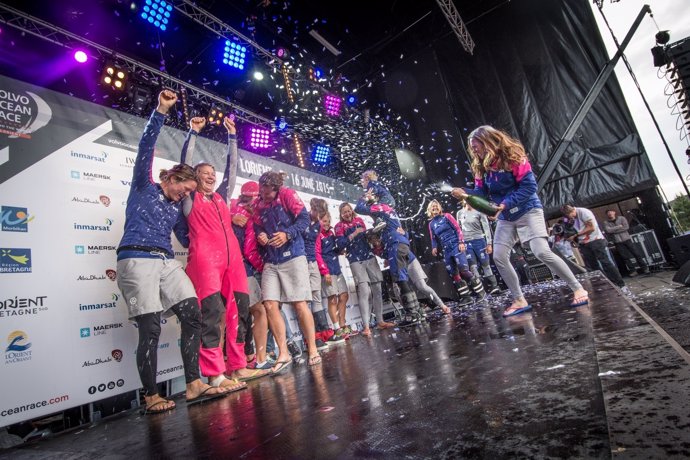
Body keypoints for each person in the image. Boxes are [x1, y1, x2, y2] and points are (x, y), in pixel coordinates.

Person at [116, 90, 230, 415]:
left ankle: (194, 384)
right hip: (136, 258)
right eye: (185, 187)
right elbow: (145, 148)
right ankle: (151, 396)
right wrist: (162, 111)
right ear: (171, 177)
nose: (186, 194)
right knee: (150, 327)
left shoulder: (177, 206)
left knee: (192, 312)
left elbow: (188, 230)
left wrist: (193, 133)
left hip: (165, 260)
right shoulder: (144, 186)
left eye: (192, 191)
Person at [451, 125, 589, 317]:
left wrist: (505, 204)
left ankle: (578, 289)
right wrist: (465, 194)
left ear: (489, 142)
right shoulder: (481, 166)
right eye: (472, 147)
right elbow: (481, 193)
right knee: (499, 256)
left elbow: (529, 187)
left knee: (541, 251)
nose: (474, 150)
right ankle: (519, 300)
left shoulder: (513, 156)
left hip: (528, 210)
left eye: (477, 146)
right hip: (506, 217)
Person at [177, 116, 268, 386]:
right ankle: (215, 374)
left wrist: (232, 138)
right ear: (194, 178)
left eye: (212, 174)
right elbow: (184, 164)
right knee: (213, 314)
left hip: (233, 262)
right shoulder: (190, 198)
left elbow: (231, 169)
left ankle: (238, 366)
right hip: (206, 262)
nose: (211, 177)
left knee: (240, 311)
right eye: (204, 174)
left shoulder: (221, 197)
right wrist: (192, 133)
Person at [252, 171, 321, 368]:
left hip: (293, 255)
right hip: (271, 260)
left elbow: (304, 220)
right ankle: (284, 353)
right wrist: (261, 235)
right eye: (261, 192)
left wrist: (287, 234)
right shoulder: (258, 203)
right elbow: (257, 226)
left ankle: (313, 349)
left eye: (266, 193)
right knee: (270, 305)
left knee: (300, 304)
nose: (262, 196)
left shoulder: (288, 195)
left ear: (276, 188)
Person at [356, 186, 424, 327]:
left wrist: (364, 197)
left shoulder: (379, 207)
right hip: (401, 243)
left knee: (400, 279)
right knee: (403, 278)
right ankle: (417, 312)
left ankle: (412, 315)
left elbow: (359, 208)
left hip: (395, 245)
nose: (372, 216)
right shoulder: (389, 209)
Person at [230, 181, 275, 370]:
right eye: (256, 197)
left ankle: (249, 357)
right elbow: (249, 249)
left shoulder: (232, 209)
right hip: (243, 268)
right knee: (257, 312)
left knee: (244, 315)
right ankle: (258, 358)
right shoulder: (244, 213)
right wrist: (261, 266)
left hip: (234, 267)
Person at [335, 202, 395, 335]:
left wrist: (372, 237)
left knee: (377, 288)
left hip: (369, 256)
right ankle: (366, 326)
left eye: (349, 210)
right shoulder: (339, 226)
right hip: (355, 259)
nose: (347, 213)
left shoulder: (359, 220)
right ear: (340, 214)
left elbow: (367, 238)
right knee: (364, 290)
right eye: (344, 212)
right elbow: (340, 244)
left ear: (352, 210)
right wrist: (354, 233)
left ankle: (380, 321)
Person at [427, 199, 485, 304]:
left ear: (439, 207)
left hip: (456, 245)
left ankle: (481, 292)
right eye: (432, 207)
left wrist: (461, 242)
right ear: (429, 210)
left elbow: (458, 229)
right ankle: (466, 297)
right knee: (453, 273)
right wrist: (434, 247)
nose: (434, 208)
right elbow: (433, 238)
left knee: (464, 269)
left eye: (436, 206)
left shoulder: (447, 216)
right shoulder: (431, 224)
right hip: (446, 249)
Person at [561, 205, 629, 292]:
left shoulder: (583, 212)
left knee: (605, 262)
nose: (571, 217)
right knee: (593, 266)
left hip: (595, 240)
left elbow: (591, 228)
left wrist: (576, 235)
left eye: (570, 214)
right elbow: (576, 229)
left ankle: (621, 284)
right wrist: (574, 239)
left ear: (573, 210)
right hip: (584, 243)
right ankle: (608, 284)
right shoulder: (570, 219)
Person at [304, 198, 342, 347]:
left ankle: (324, 333)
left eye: (322, 215)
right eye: (318, 213)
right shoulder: (302, 219)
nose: (320, 218)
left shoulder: (317, 226)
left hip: (312, 262)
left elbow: (316, 247)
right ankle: (311, 338)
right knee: (304, 301)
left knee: (317, 297)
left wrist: (321, 267)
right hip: (301, 261)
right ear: (312, 209)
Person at [315, 211, 352, 338]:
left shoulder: (331, 232)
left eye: (328, 221)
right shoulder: (317, 235)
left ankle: (343, 325)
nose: (327, 224)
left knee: (344, 295)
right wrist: (325, 272)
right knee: (332, 299)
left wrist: (339, 251)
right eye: (324, 221)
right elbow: (318, 254)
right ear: (319, 221)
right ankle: (336, 328)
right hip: (327, 271)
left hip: (337, 268)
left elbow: (331, 250)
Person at [458, 201, 501, 294]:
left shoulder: (479, 212)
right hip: (467, 243)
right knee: (473, 267)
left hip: (479, 241)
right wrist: (460, 242)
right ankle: (481, 289)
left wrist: (489, 243)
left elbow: (486, 228)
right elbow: (459, 230)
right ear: (463, 201)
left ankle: (494, 286)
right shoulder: (459, 213)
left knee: (485, 264)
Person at [603, 209, 649, 275]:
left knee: (636, 253)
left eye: (611, 212)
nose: (610, 213)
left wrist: (614, 231)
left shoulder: (622, 218)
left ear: (614, 212)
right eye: (608, 213)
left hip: (627, 239)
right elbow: (608, 231)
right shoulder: (606, 222)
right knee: (625, 257)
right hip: (617, 242)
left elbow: (626, 227)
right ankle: (633, 271)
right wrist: (619, 226)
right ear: (607, 215)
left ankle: (644, 268)